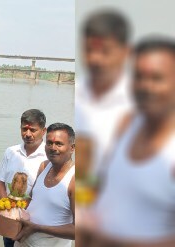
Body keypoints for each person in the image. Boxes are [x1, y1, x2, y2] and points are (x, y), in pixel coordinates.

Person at [81, 37, 175, 247]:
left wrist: (109, 240)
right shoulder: (127, 124)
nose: (145, 86)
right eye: (139, 77)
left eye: (157, 78)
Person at [75, 10, 134, 176]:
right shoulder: (76, 95)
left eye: (105, 51)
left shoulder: (141, 103)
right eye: (89, 50)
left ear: (126, 52)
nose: (95, 59)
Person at [15, 123, 75, 247]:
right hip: (23, 240)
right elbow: (30, 200)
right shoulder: (44, 166)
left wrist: (38, 228)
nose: (53, 148)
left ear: (72, 148)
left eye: (59, 144)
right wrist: (7, 210)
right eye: (49, 143)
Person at [0, 109, 47, 247]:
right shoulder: (11, 152)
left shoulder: (49, 157)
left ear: (44, 131)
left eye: (33, 130)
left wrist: (23, 214)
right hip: (10, 219)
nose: (28, 134)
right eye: (24, 129)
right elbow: (0, 183)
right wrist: (7, 209)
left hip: (33, 222)